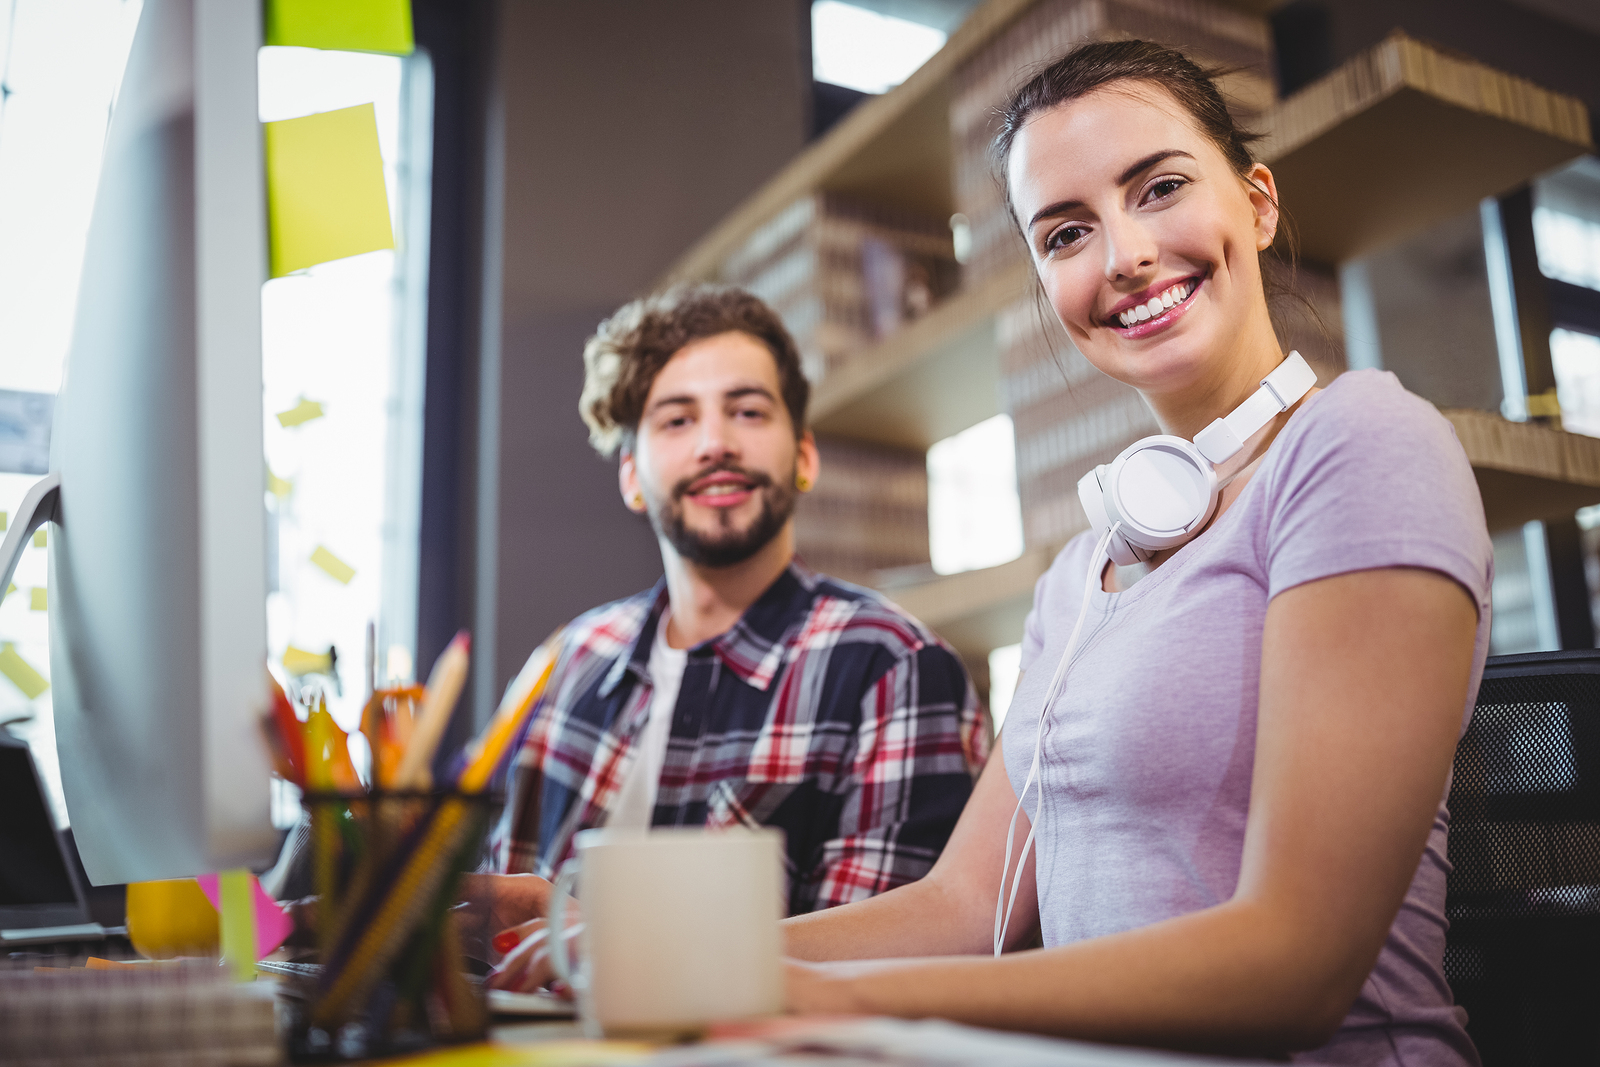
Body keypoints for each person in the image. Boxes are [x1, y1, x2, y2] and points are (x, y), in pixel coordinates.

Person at [774, 40, 1491, 1065]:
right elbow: (966, 901)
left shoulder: (1361, 442)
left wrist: (845, 1002)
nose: (1122, 255)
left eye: (1157, 187)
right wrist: (687, 956)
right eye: (1066, 233)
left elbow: (1295, 963)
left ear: (1256, 203)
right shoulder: (1084, 566)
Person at [470, 284, 990, 985]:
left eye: (747, 411)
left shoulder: (894, 666)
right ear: (631, 475)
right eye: (677, 420)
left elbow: (886, 969)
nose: (716, 443)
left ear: (804, 455)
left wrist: (622, 940)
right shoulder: (565, 662)